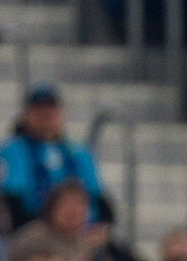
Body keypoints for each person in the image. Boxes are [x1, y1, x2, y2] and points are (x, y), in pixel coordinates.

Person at [2, 85, 108, 226]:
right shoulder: (14, 149)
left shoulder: (78, 151)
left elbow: (98, 197)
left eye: (51, 111)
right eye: (39, 111)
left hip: (80, 231)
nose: (46, 116)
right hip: (33, 227)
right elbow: (13, 199)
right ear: (26, 115)